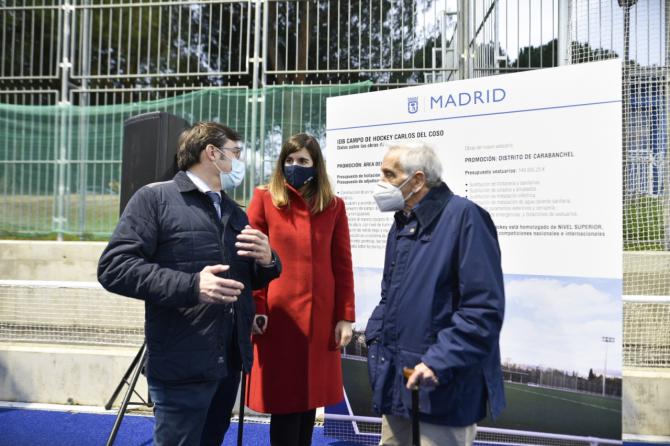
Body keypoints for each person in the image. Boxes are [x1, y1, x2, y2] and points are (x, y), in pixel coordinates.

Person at [97, 121, 281, 446]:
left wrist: (268, 260)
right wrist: (193, 286)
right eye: (236, 153)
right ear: (211, 152)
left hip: (228, 362)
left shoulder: (232, 210)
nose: (240, 162)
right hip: (181, 364)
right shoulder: (154, 199)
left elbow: (247, 275)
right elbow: (114, 268)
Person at [365, 142, 506, 446]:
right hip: (399, 387)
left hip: (443, 391)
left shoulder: (466, 218)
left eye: (389, 174)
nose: (381, 182)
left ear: (417, 180)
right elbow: (390, 298)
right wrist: (375, 339)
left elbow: (483, 310)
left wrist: (438, 363)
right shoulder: (402, 224)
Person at [244, 133, 355, 446]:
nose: (295, 166)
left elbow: (343, 264)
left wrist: (345, 316)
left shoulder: (333, 206)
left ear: (316, 166)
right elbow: (252, 261)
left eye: (303, 161)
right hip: (279, 319)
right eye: (289, 161)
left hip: (321, 320)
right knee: (285, 401)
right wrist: (258, 307)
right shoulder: (264, 199)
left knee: (310, 400)